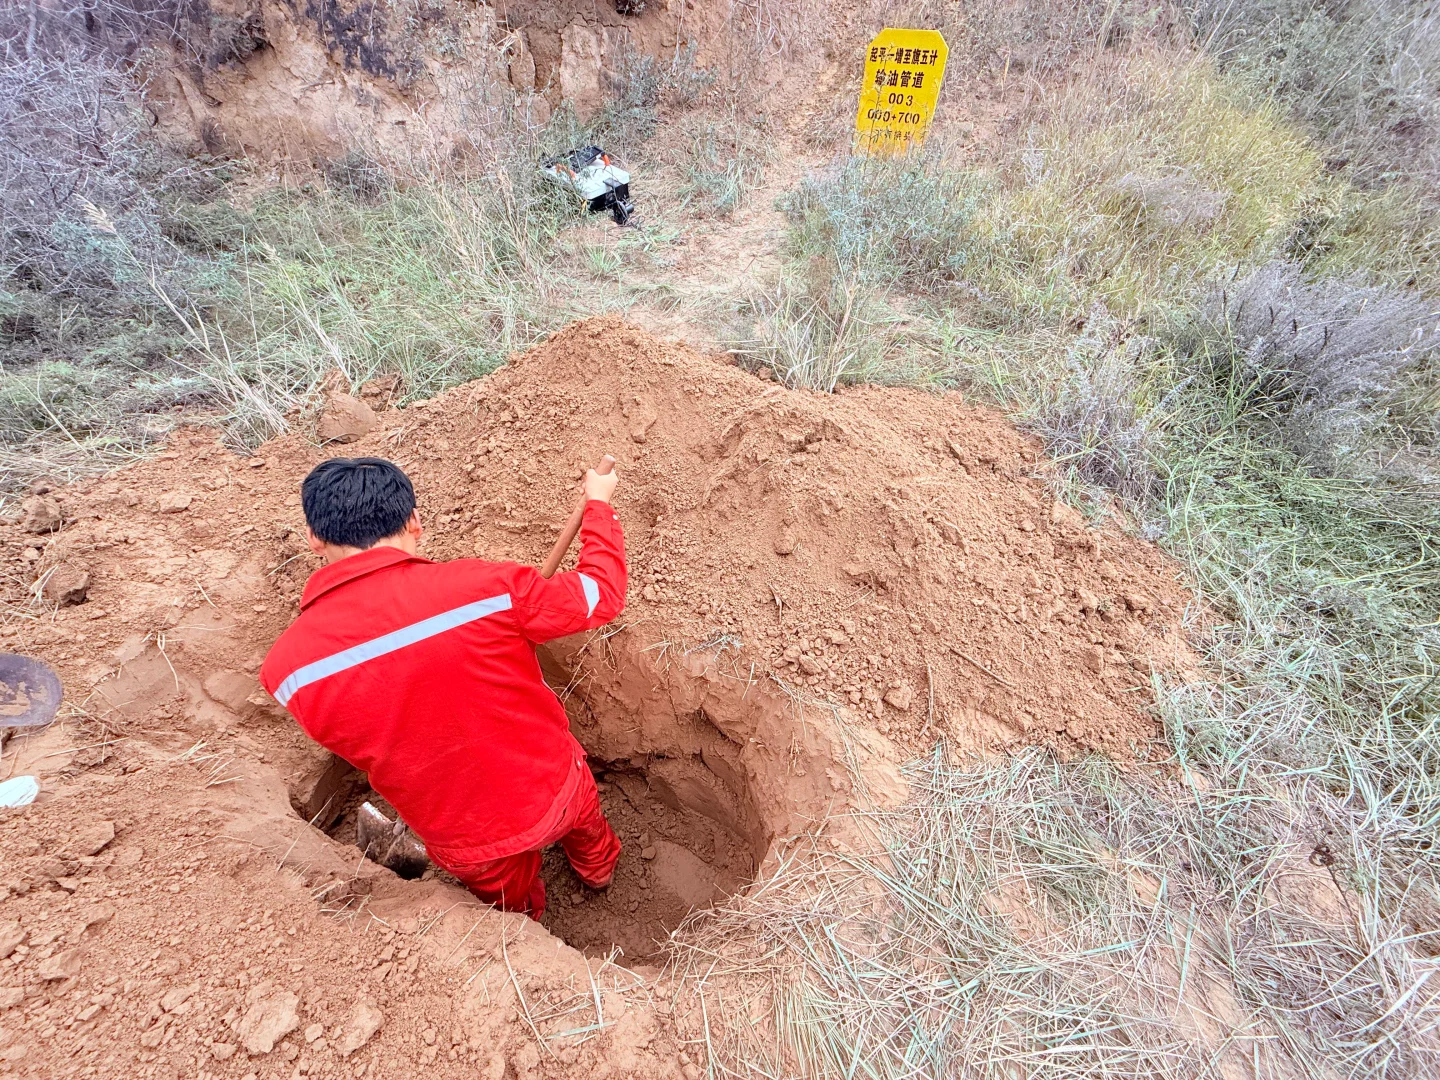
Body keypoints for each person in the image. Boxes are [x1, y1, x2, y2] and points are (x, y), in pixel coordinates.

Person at [260, 456, 626, 919]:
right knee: (587, 828)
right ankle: (599, 872)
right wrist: (597, 504)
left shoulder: (289, 670)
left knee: (508, 906)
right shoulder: (488, 591)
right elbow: (599, 593)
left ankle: (528, 927)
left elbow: (356, 738)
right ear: (414, 522)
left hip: (462, 833)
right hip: (553, 785)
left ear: (315, 538)